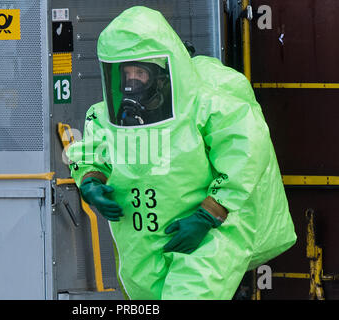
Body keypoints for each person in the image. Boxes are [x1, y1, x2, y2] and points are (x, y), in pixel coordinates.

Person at [67, 6, 296, 299]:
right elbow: (90, 153)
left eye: (141, 72)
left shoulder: (209, 108)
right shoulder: (106, 117)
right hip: (142, 240)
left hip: (209, 233)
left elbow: (246, 156)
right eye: (127, 73)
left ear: (161, 73)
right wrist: (91, 182)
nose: (132, 81)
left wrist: (208, 215)